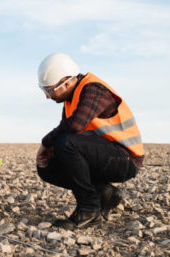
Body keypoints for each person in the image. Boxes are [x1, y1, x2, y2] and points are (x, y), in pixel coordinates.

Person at [35, 53, 145, 229]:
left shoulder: (93, 90)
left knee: (65, 142)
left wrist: (46, 142)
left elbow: (75, 126)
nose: (48, 96)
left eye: (50, 90)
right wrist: (50, 151)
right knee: (46, 167)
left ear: (68, 82)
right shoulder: (70, 100)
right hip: (102, 156)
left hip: (125, 159)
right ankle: (104, 193)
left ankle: (89, 210)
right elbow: (68, 129)